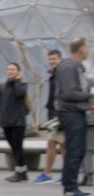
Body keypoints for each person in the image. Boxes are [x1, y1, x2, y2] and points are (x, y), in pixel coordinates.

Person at [54, 36, 93, 196]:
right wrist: (89, 94)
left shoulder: (75, 67)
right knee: (75, 149)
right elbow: (69, 93)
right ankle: (69, 188)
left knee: (79, 149)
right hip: (70, 112)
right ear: (81, 49)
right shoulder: (69, 66)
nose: (89, 50)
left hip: (76, 112)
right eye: (88, 47)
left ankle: (72, 185)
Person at [33, 49, 65, 183]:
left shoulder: (61, 74)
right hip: (54, 114)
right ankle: (60, 173)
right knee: (57, 144)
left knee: (58, 144)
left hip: (58, 115)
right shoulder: (53, 75)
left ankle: (50, 173)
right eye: (50, 59)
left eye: (54, 59)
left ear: (60, 59)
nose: (51, 62)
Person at [0, 62, 30, 182]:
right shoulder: (2, 86)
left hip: (18, 121)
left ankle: (19, 171)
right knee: (13, 147)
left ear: (18, 72)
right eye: (8, 69)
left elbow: (20, 94)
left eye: (13, 69)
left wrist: (17, 81)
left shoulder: (22, 85)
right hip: (6, 121)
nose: (10, 71)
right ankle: (23, 171)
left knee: (18, 146)